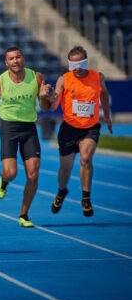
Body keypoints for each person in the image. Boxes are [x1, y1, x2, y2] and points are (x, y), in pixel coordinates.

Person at [0, 47, 52, 227]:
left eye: (18, 57)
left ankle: (24, 215)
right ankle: (3, 180)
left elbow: (46, 107)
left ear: (23, 59)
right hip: (9, 129)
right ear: (6, 63)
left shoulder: (36, 77)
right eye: (11, 58)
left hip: (29, 129)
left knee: (33, 175)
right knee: (11, 173)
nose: (15, 61)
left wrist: (42, 98)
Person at [47, 46, 112, 217]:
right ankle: (62, 191)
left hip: (90, 128)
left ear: (86, 62)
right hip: (69, 128)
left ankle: (86, 198)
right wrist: (49, 95)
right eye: (73, 64)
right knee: (64, 170)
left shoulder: (98, 77)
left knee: (85, 159)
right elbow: (54, 102)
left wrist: (107, 116)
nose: (76, 68)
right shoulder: (64, 79)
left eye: (80, 64)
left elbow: (104, 94)